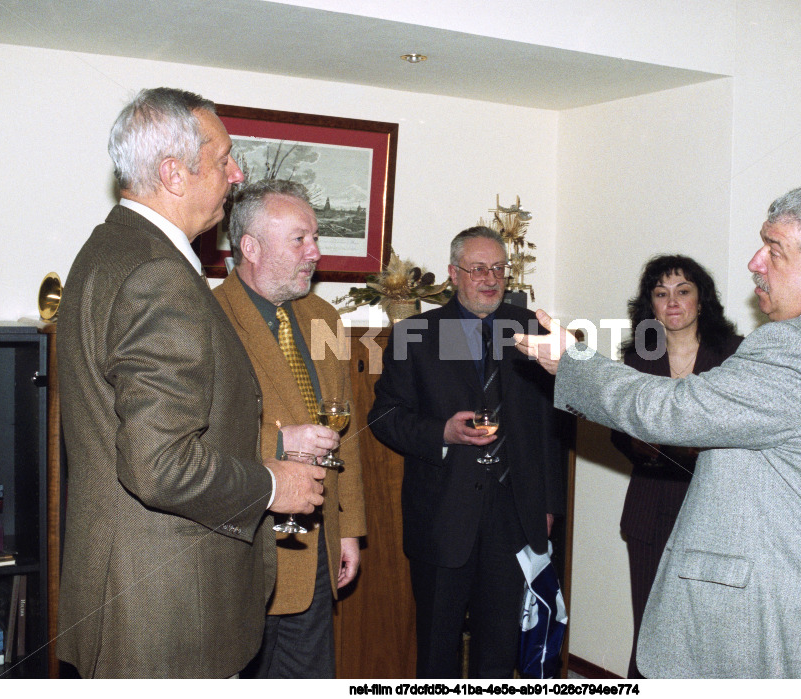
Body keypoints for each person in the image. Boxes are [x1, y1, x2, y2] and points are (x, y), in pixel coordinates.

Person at [516, 183, 801, 678]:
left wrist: (570, 362)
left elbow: (672, 409)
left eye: (774, 250)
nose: (755, 261)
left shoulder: (797, 346)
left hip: (779, 628)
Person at [56, 88, 326, 678]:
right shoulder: (158, 274)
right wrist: (270, 483)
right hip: (167, 606)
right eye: (226, 158)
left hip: (132, 590)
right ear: (175, 173)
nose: (238, 174)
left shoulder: (109, 250)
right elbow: (157, 464)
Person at [368, 226, 567, 678]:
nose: (489, 278)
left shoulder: (532, 331)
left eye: (498, 268)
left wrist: (549, 504)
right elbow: (384, 417)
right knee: (437, 648)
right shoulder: (415, 334)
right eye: (478, 269)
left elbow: (551, 428)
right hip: (443, 514)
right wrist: (443, 432)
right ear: (454, 274)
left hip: (514, 514)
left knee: (498, 648)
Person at [213, 179, 367, 678]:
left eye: (315, 237)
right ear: (250, 247)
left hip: (315, 548)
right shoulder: (208, 318)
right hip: (242, 549)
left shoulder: (323, 316)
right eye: (299, 239)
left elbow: (347, 435)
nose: (316, 252)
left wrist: (350, 531)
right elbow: (194, 435)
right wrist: (278, 443)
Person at [610, 254, 742, 678]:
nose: (672, 302)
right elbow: (618, 432)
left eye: (683, 291)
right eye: (661, 293)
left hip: (717, 514)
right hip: (651, 507)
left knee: (708, 637)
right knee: (649, 634)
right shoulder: (635, 361)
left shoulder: (735, 357)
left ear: (701, 301)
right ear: (650, 306)